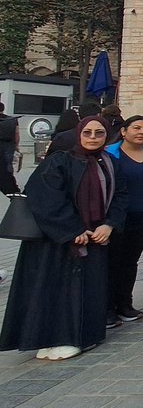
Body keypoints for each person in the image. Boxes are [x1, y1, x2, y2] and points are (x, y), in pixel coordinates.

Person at [0, 117, 127, 360]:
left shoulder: (109, 163)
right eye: (87, 132)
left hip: (95, 239)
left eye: (99, 133)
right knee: (53, 290)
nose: (92, 137)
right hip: (57, 242)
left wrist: (109, 225)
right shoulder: (59, 161)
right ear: (78, 134)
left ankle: (79, 337)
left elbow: (120, 196)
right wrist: (73, 229)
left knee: (85, 291)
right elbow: (45, 198)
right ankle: (49, 337)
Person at [104, 116, 143, 326]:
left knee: (130, 262)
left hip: (142, 216)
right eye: (137, 128)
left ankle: (125, 303)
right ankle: (106, 308)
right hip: (114, 218)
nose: (142, 132)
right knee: (111, 262)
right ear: (124, 131)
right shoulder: (109, 154)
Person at [0, 103, 20, 195]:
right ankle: (9, 180)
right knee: (8, 164)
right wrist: (16, 145)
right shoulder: (12, 120)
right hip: (8, 145)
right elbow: (16, 134)